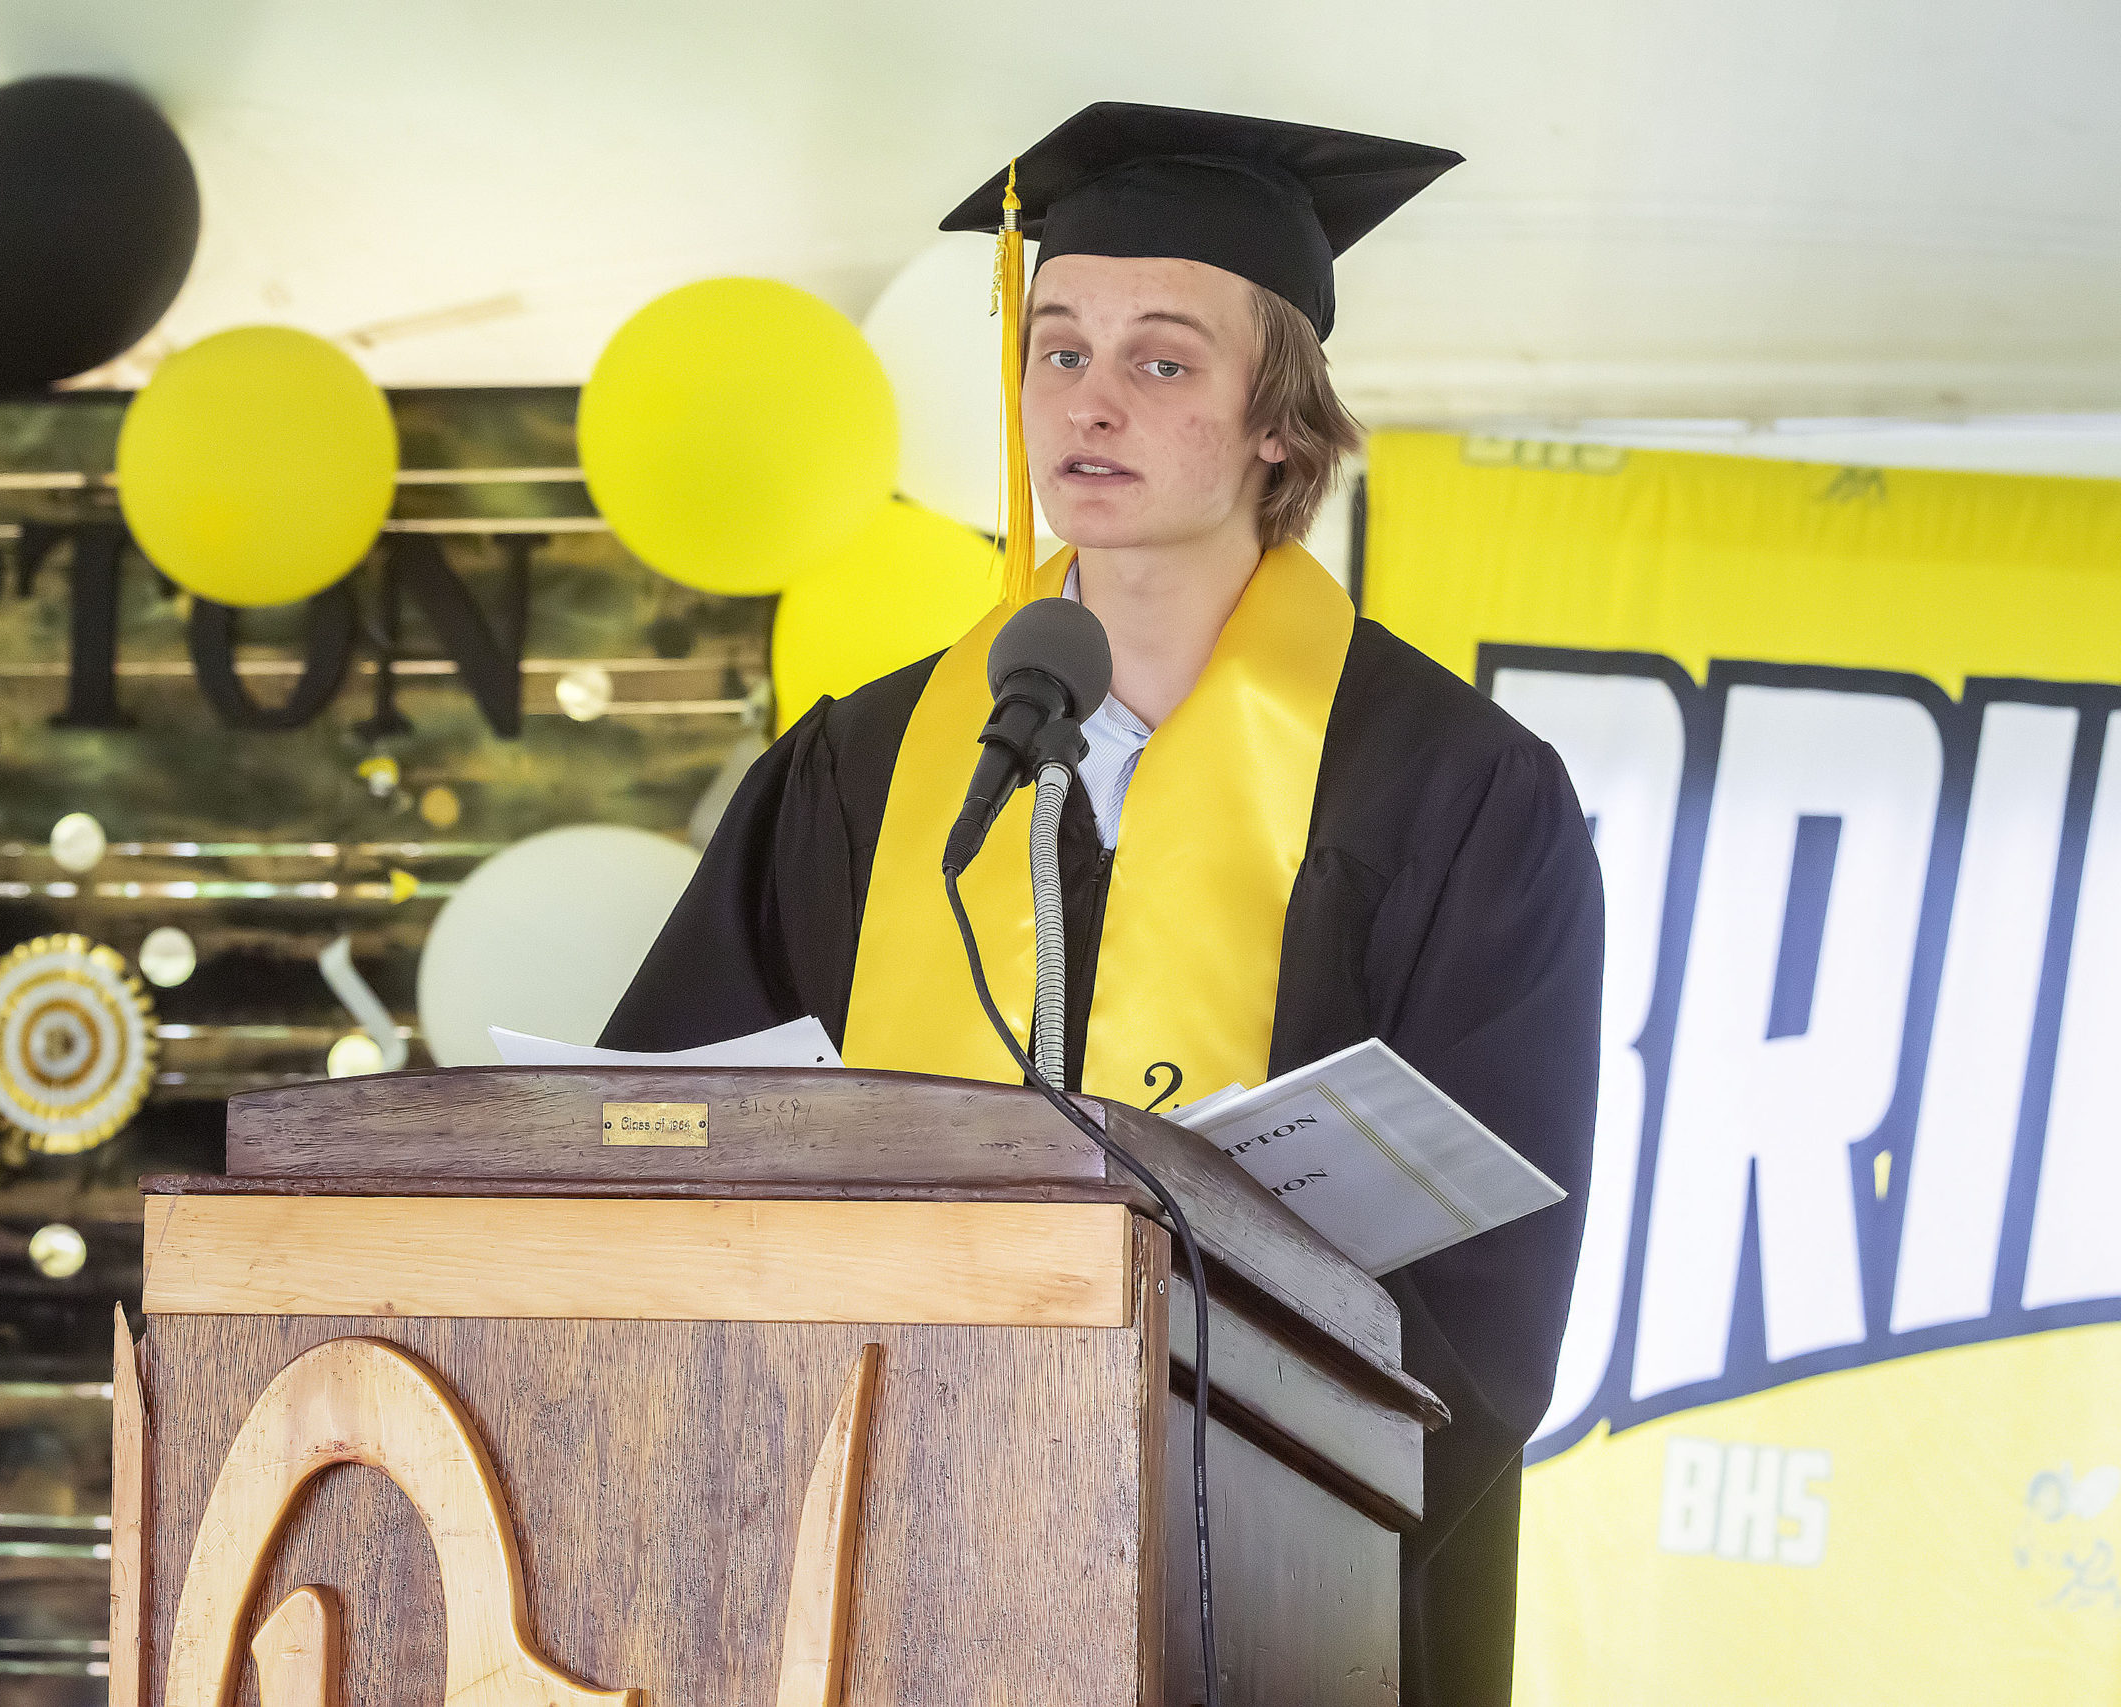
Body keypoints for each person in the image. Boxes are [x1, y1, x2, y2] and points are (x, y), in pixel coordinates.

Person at [603, 100, 1602, 1706]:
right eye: (1057, 349)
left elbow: (1486, 1290)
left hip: (1252, 1583)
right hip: (867, 1552)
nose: (1091, 399)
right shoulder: (867, 766)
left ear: (1280, 423)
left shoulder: (1454, 793)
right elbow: (669, 1136)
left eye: (1162, 360)